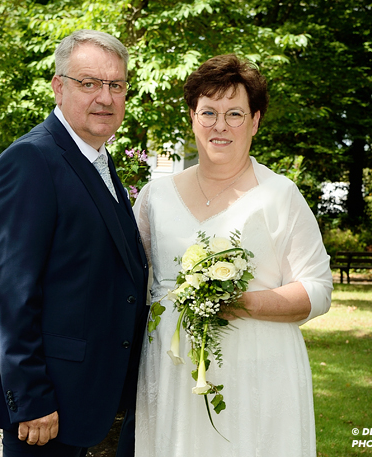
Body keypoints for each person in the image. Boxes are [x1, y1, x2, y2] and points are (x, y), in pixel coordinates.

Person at [132, 54, 333, 456]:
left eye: (234, 114)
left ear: (255, 121)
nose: (219, 126)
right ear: (192, 117)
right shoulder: (156, 196)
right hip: (172, 373)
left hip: (259, 370)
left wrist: (243, 302)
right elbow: (129, 281)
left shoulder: (280, 196)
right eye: (208, 112)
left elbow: (318, 291)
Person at [0, 30, 149, 457]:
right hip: (45, 405)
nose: (105, 97)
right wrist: (31, 399)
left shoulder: (96, 157)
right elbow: (9, 294)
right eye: (89, 83)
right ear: (58, 86)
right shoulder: (31, 161)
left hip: (80, 394)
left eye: (115, 85)